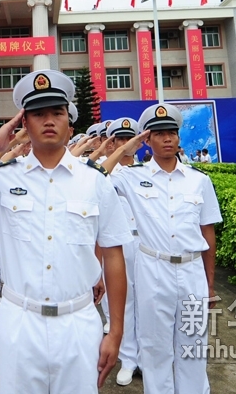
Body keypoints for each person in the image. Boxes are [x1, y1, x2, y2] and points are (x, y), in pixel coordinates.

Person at [0, 69, 133, 393]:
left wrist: (115, 332)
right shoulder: (3, 177)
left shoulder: (95, 181)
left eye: (56, 112)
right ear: (24, 124)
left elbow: (114, 257)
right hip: (20, 320)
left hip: (78, 320)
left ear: (69, 124)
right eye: (38, 114)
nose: (48, 120)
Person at [104, 103, 223, 394]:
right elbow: (95, 175)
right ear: (147, 139)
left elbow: (207, 234)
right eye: (158, 133)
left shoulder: (199, 180)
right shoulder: (131, 177)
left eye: (172, 132)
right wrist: (126, 148)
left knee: (193, 345)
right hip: (153, 269)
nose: (167, 138)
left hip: (193, 270)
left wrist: (209, 285)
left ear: (179, 138)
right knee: (155, 346)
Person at [104, 117, 143, 386]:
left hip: (149, 246)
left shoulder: (149, 171)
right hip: (120, 244)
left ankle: (149, 357)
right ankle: (129, 358)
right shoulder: (107, 173)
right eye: (119, 139)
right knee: (125, 303)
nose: (125, 144)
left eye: (128, 139)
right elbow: (95, 178)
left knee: (150, 303)